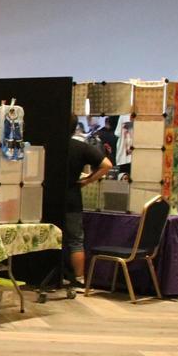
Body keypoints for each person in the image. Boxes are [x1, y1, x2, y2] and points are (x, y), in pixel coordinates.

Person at [67, 114, 113, 287]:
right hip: (72, 198)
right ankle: (79, 279)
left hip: (48, 199)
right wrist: (88, 180)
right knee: (75, 241)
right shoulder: (81, 147)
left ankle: (55, 276)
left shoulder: (49, 147)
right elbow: (107, 165)